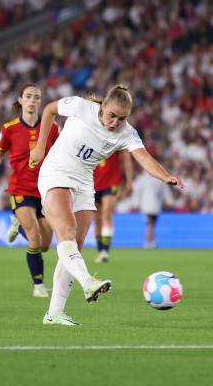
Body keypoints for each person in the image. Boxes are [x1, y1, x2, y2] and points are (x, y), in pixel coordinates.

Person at [30, 84, 183, 326]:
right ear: (103, 107)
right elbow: (49, 110)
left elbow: (143, 156)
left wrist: (165, 176)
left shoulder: (127, 133)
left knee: (75, 245)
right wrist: (40, 147)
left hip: (84, 183)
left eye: (122, 118)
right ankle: (88, 282)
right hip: (56, 173)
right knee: (67, 232)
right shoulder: (81, 107)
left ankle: (54, 313)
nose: (115, 122)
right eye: (112, 115)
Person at [0, 84, 60, 298]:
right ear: (21, 100)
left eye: (37, 97)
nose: (33, 100)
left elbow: (59, 155)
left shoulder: (52, 128)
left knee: (44, 246)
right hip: (20, 189)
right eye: (29, 97)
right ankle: (39, 286)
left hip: (45, 190)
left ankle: (18, 225)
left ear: (41, 101)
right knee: (34, 237)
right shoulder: (10, 128)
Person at [93, 150, 133, 263]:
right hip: (92, 182)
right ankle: (100, 250)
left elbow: (126, 158)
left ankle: (105, 251)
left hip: (112, 181)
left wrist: (129, 181)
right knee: (97, 218)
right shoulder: (89, 135)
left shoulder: (114, 136)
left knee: (106, 214)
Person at [132, 170, 173, 248]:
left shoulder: (141, 179)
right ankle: (150, 242)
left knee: (150, 224)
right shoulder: (159, 179)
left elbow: (136, 191)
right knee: (151, 224)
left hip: (145, 205)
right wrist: (169, 202)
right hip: (155, 206)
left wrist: (135, 203)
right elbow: (165, 192)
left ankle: (149, 242)